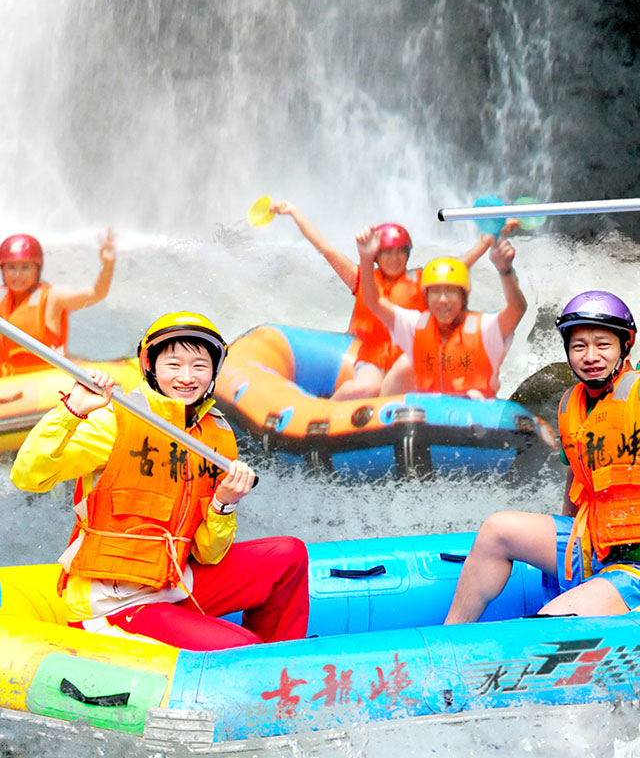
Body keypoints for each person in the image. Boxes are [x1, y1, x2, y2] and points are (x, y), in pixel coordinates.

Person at [445, 185, 640, 621]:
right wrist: (563, 563)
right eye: (579, 346)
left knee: (554, 619)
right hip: (595, 543)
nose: (589, 356)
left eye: (601, 345)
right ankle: (450, 638)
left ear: (623, 348)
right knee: (497, 529)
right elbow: (578, 488)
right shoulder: (572, 403)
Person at [11, 312, 308, 650]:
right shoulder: (114, 420)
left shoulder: (217, 434)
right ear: (150, 365)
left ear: (213, 371)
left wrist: (223, 504)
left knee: (289, 555)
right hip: (114, 601)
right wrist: (73, 410)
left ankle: (281, 665)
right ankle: (258, 663)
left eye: (199, 365)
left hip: (173, 582)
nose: (186, 377)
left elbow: (209, 555)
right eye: (174, 364)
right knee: (241, 644)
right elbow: (28, 476)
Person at [270, 201, 497, 399]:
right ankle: (323, 414)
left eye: (400, 252)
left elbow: (459, 265)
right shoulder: (362, 278)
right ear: (376, 255)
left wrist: (488, 239)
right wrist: (294, 213)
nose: (395, 258)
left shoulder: (421, 281)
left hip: (405, 360)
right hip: (369, 357)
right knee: (366, 388)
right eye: (388, 252)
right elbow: (326, 249)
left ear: (408, 254)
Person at [355, 225, 527, 399]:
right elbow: (374, 302)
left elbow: (517, 309)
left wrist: (505, 271)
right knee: (403, 367)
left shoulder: (483, 328)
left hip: (472, 416)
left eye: (451, 292)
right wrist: (366, 257)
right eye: (436, 293)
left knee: (473, 394)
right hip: (426, 416)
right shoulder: (416, 325)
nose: (443, 299)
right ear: (426, 299)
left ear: (463, 297)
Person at [0, 229, 116, 376]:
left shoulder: (52, 297)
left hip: (45, 383)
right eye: (11, 267)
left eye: (25, 267)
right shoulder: (1, 297)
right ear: (2, 270)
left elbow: (96, 294)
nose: (17, 275)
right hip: (7, 381)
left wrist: (108, 264)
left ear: (37, 269)